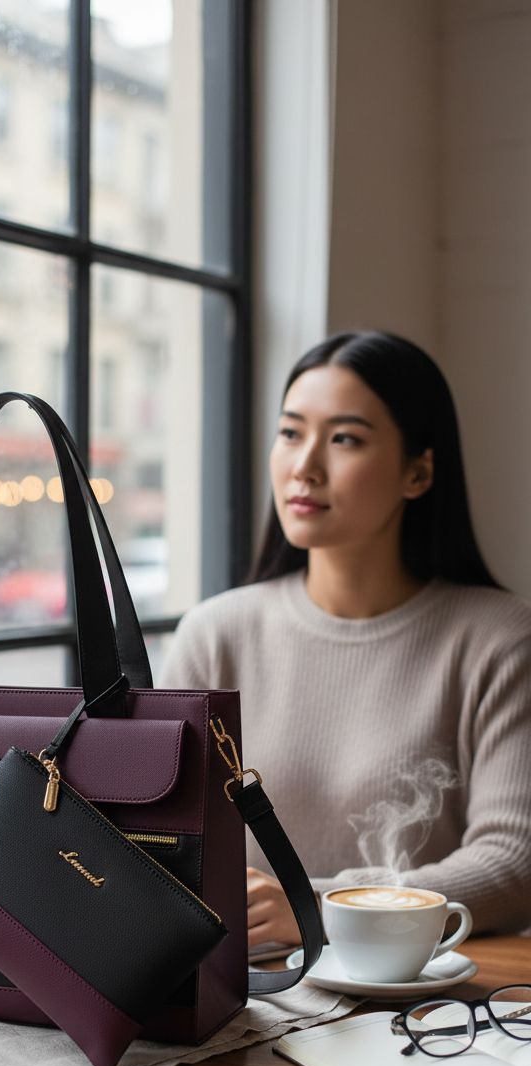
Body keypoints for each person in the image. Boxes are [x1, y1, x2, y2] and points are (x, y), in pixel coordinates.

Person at [161, 330, 531, 950]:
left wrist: (318, 907)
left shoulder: (497, 638)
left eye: (344, 439)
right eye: (290, 433)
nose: (304, 466)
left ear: (418, 472)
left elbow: (514, 862)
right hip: (242, 991)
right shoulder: (215, 632)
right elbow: (154, 840)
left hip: (414, 1002)